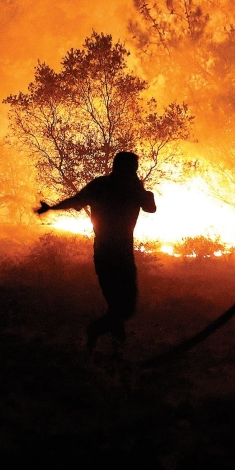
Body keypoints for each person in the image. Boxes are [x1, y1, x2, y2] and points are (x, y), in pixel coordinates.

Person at [36, 151, 157, 354]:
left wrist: (52, 208)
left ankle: (114, 351)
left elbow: (149, 207)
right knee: (123, 308)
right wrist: (52, 208)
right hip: (113, 255)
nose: (133, 173)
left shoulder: (107, 186)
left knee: (118, 307)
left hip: (112, 254)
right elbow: (150, 207)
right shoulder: (119, 188)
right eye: (132, 169)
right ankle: (97, 335)